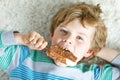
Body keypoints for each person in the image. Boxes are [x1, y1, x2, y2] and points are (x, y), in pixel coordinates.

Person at [0, 2, 120, 80]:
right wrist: (22, 38)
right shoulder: (24, 58)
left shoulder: (93, 76)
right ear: (52, 35)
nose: (68, 39)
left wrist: (97, 49)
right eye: (63, 31)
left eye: (80, 38)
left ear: (88, 52)